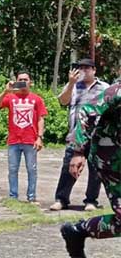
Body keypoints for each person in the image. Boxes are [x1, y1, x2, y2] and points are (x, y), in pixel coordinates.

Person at [60, 82, 121, 257]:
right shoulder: (117, 92)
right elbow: (87, 111)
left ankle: (77, 232)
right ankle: (79, 231)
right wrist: (79, 150)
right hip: (110, 159)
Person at [50, 58, 109, 212]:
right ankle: (61, 199)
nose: (83, 70)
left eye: (87, 68)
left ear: (94, 70)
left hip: (97, 135)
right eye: (80, 68)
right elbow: (63, 101)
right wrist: (70, 83)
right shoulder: (74, 86)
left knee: (95, 170)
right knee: (68, 168)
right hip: (75, 134)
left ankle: (91, 200)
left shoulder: (104, 87)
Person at [0, 70, 48, 203]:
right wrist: (6, 91)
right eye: (20, 80)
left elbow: (41, 119)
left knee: (32, 170)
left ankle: (31, 196)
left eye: (25, 80)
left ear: (31, 82)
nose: (23, 82)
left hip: (30, 139)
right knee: (12, 169)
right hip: (14, 140)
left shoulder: (36, 99)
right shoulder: (11, 97)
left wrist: (40, 137)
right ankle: (13, 196)